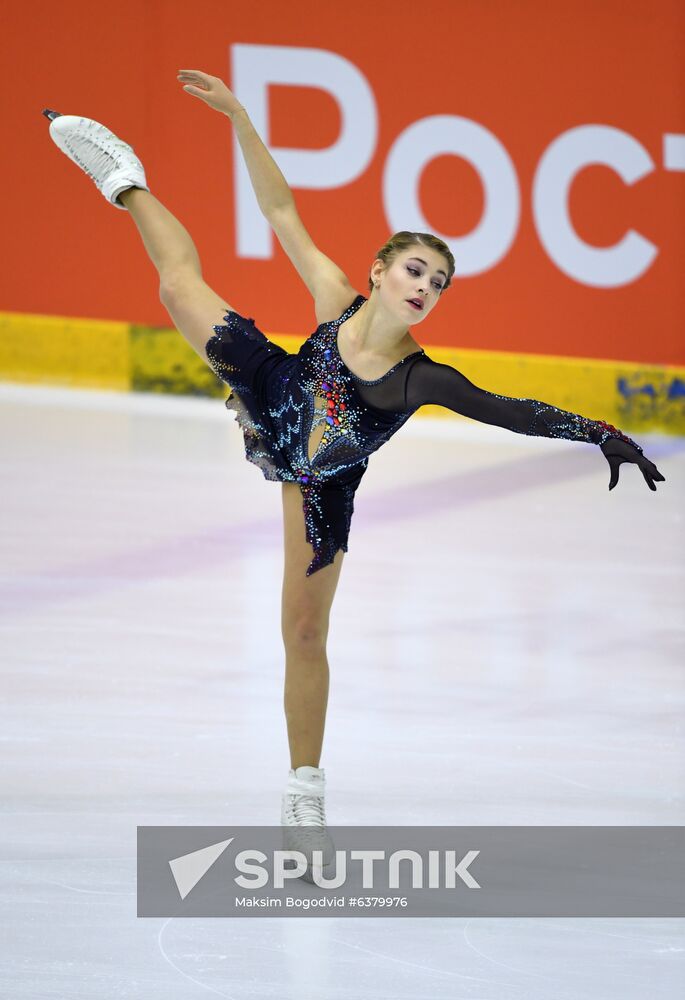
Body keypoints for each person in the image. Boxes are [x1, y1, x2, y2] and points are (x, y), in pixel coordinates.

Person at [43, 70, 666, 877]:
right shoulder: (337, 297)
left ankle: (303, 796)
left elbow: (511, 408)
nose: (425, 290)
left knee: (304, 631)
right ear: (377, 273)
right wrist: (237, 115)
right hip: (274, 390)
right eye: (414, 272)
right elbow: (279, 212)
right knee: (176, 285)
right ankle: (124, 180)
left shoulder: (420, 378)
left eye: (438, 284)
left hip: (324, 481)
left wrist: (600, 432)